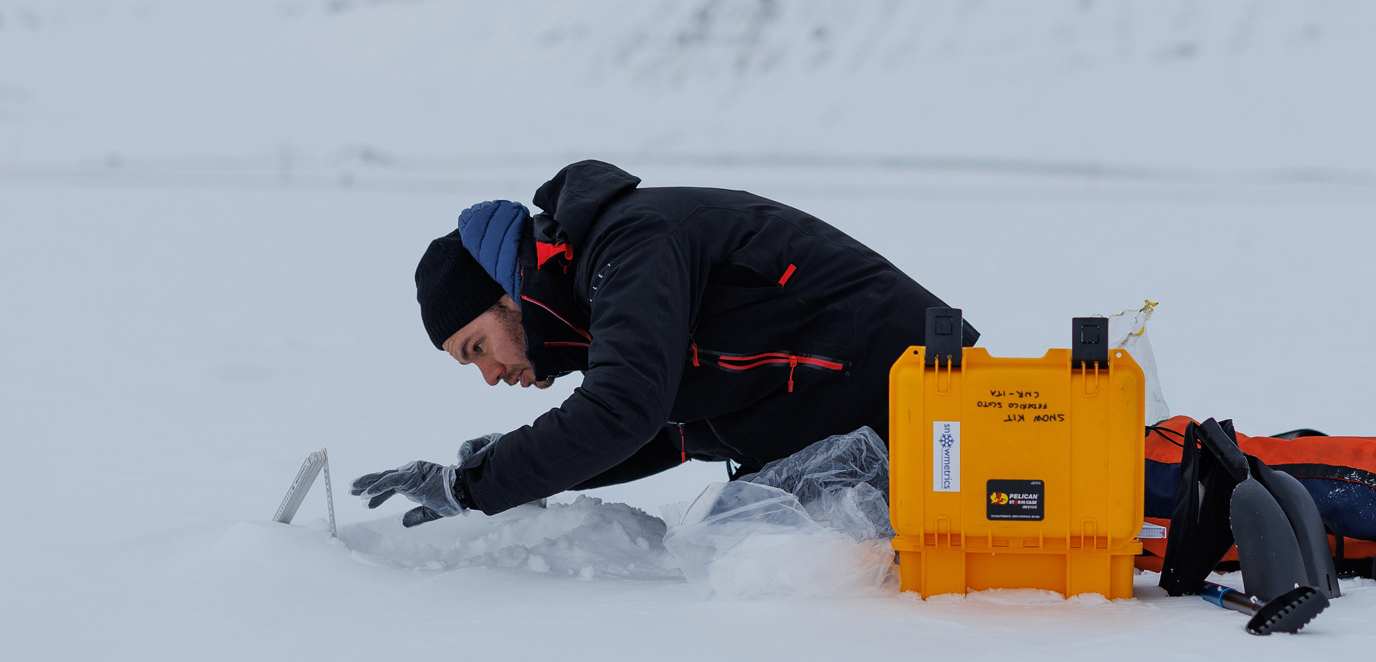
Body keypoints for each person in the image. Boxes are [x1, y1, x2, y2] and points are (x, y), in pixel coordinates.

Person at [352, 159, 976, 526]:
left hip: (936, 424)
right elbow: (671, 431)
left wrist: (472, 486)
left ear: (507, 295)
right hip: (864, 438)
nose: (490, 374)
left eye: (477, 347)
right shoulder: (596, 283)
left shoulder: (629, 247)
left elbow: (624, 411)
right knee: (730, 547)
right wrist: (516, 473)